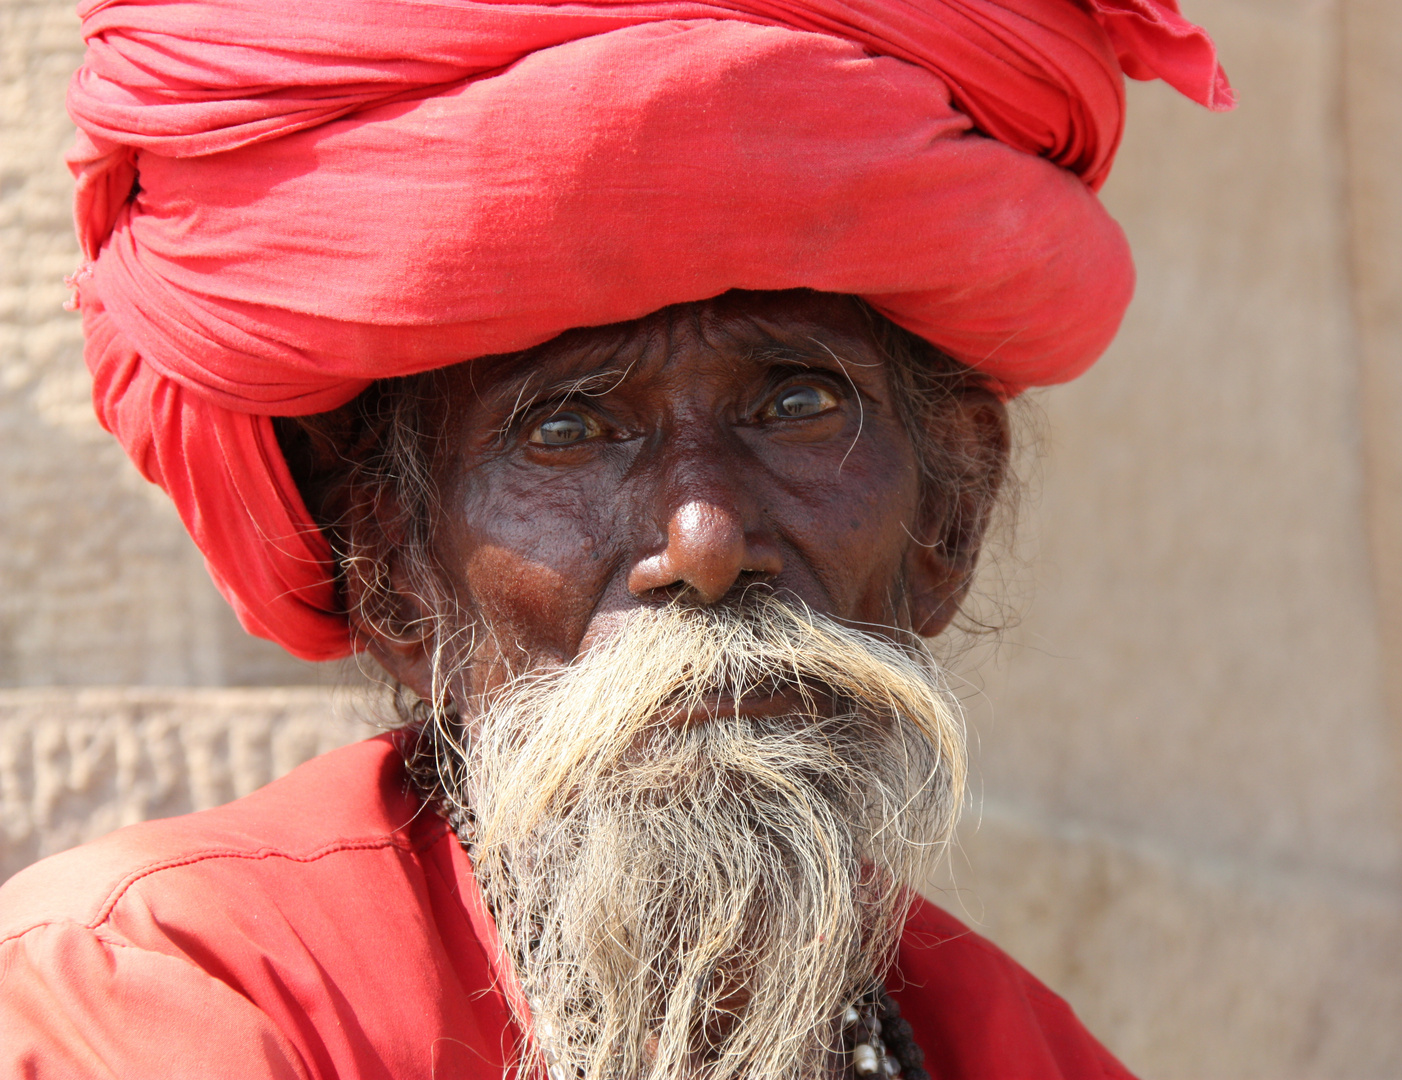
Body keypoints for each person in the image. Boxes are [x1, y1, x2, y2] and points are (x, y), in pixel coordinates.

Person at [0, 0, 1231, 1076]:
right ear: (397, 568)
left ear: (948, 517)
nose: (703, 541)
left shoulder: (1035, 1059)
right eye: (570, 431)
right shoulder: (172, 996)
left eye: (796, 404)